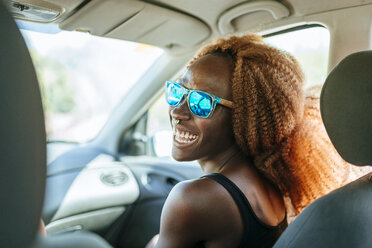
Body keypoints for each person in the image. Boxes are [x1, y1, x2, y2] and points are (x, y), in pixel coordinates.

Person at [151, 34, 365, 248]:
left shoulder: (191, 198)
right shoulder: (268, 183)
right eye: (177, 91)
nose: (178, 111)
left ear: (244, 118)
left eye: (202, 102)